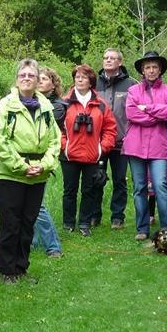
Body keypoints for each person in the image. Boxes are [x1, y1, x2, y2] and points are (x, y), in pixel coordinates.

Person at [0, 58, 61, 282]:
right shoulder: (5, 106)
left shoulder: (46, 107)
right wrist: (22, 166)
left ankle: (21, 268)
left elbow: (55, 140)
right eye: (23, 75)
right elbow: (0, 140)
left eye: (31, 75)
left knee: (28, 223)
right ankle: (7, 271)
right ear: (17, 79)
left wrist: (45, 165)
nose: (27, 79)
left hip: (38, 175)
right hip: (8, 174)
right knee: (11, 223)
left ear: (38, 79)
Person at [123, 51, 167, 240]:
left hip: (159, 146)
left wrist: (146, 108)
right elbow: (131, 113)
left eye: (155, 67)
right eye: (148, 67)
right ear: (142, 70)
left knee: (161, 185)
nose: (151, 70)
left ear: (160, 69)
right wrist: (156, 114)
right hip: (135, 145)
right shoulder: (133, 91)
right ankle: (142, 228)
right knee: (139, 187)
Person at [60, 63, 118, 236]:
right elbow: (56, 128)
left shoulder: (100, 104)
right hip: (69, 155)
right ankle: (68, 223)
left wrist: (102, 148)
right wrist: (64, 145)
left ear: (90, 81)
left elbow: (110, 129)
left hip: (92, 155)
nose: (80, 80)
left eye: (83, 77)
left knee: (89, 190)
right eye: (77, 77)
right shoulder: (64, 102)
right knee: (69, 190)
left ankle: (85, 223)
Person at [95, 48, 137, 229]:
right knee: (97, 179)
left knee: (120, 180)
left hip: (121, 141)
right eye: (105, 57)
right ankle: (94, 216)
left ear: (120, 62)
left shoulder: (130, 84)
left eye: (112, 58)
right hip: (98, 141)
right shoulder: (93, 83)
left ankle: (117, 217)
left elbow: (135, 112)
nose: (108, 60)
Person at [33, 67, 65, 257]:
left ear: (53, 84)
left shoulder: (58, 106)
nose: (39, 81)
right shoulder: (30, 101)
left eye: (44, 79)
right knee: (30, 204)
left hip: (44, 158)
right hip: (27, 158)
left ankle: (53, 247)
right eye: (38, 78)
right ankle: (34, 242)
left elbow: (45, 131)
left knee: (37, 205)